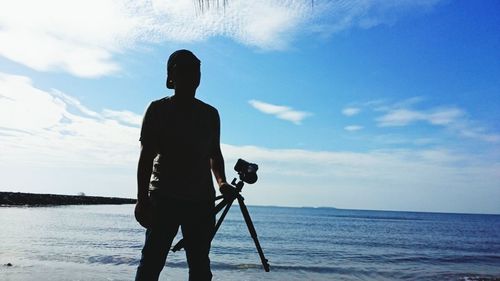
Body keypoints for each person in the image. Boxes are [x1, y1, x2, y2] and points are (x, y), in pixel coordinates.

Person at [134, 49, 233, 281]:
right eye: (184, 70)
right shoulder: (157, 109)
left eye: (196, 71)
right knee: (151, 263)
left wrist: (222, 183)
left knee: (199, 266)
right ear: (172, 76)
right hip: (163, 199)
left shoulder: (210, 114)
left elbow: (214, 154)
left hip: (201, 202)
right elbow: (146, 156)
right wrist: (142, 200)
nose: (192, 76)